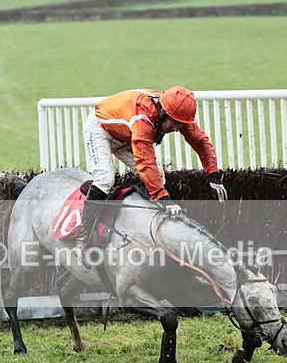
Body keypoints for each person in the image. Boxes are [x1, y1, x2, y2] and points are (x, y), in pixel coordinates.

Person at [75, 86, 227, 253]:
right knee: (105, 179)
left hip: (126, 135)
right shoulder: (143, 117)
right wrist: (164, 199)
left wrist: (213, 175)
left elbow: (201, 142)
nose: (177, 128)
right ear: (162, 113)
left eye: (180, 124)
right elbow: (145, 162)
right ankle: (82, 239)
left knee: (159, 178)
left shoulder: (176, 111)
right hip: (100, 129)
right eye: (175, 123)